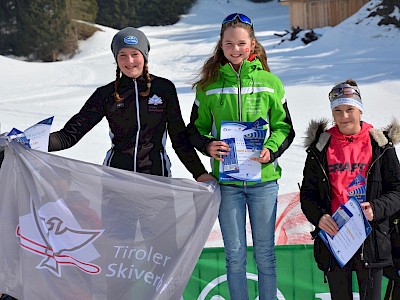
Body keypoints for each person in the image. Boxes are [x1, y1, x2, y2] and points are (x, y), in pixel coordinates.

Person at [187, 13, 295, 300]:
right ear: (221, 46)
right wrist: (209, 145)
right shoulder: (207, 87)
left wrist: (270, 150)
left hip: (263, 182)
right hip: (228, 183)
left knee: (265, 253)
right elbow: (194, 131)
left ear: (253, 44)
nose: (236, 49)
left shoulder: (271, 83)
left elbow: (285, 128)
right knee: (234, 254)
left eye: (242, 43)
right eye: (229, 44)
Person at [48, 27, 213, 183]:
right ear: (116, 59)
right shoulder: (105, 94)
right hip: (116, 181)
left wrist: (199, 173)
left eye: (135, 54)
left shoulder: (163, 89)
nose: (130, 61)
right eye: (123, 55)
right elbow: (69, 135)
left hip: (157, 180)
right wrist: (34, 141)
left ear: (144, 55)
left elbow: (179, 138)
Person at [300, 79, 400, 300]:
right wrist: (320, 217)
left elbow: (397, 191)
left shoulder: (380, 144)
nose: (344, 116)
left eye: (349, 110)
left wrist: (376, 208)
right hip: (336, 238)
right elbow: (307, 195)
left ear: (360, 110)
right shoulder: (320, 147)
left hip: (372, 238)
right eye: (338, 111)